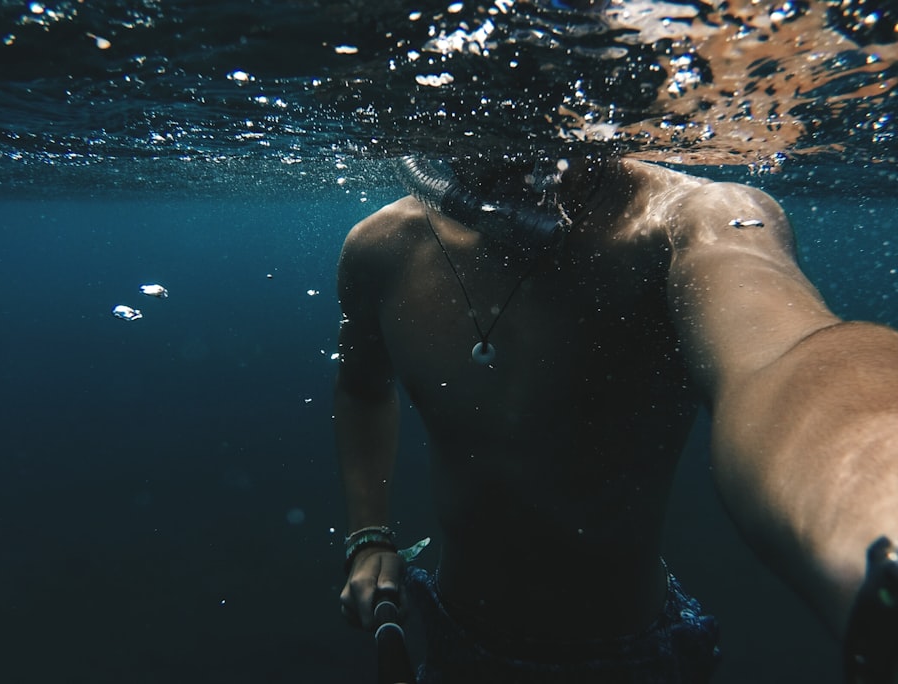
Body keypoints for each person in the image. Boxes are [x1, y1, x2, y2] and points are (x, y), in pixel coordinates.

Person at [333, 153, 898, 682]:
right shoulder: (382, 248)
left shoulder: (690, 220)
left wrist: (876, 524)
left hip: (634, 655)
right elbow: (362, 388)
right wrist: (369, 535)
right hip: (453, 635)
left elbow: (784, 355)